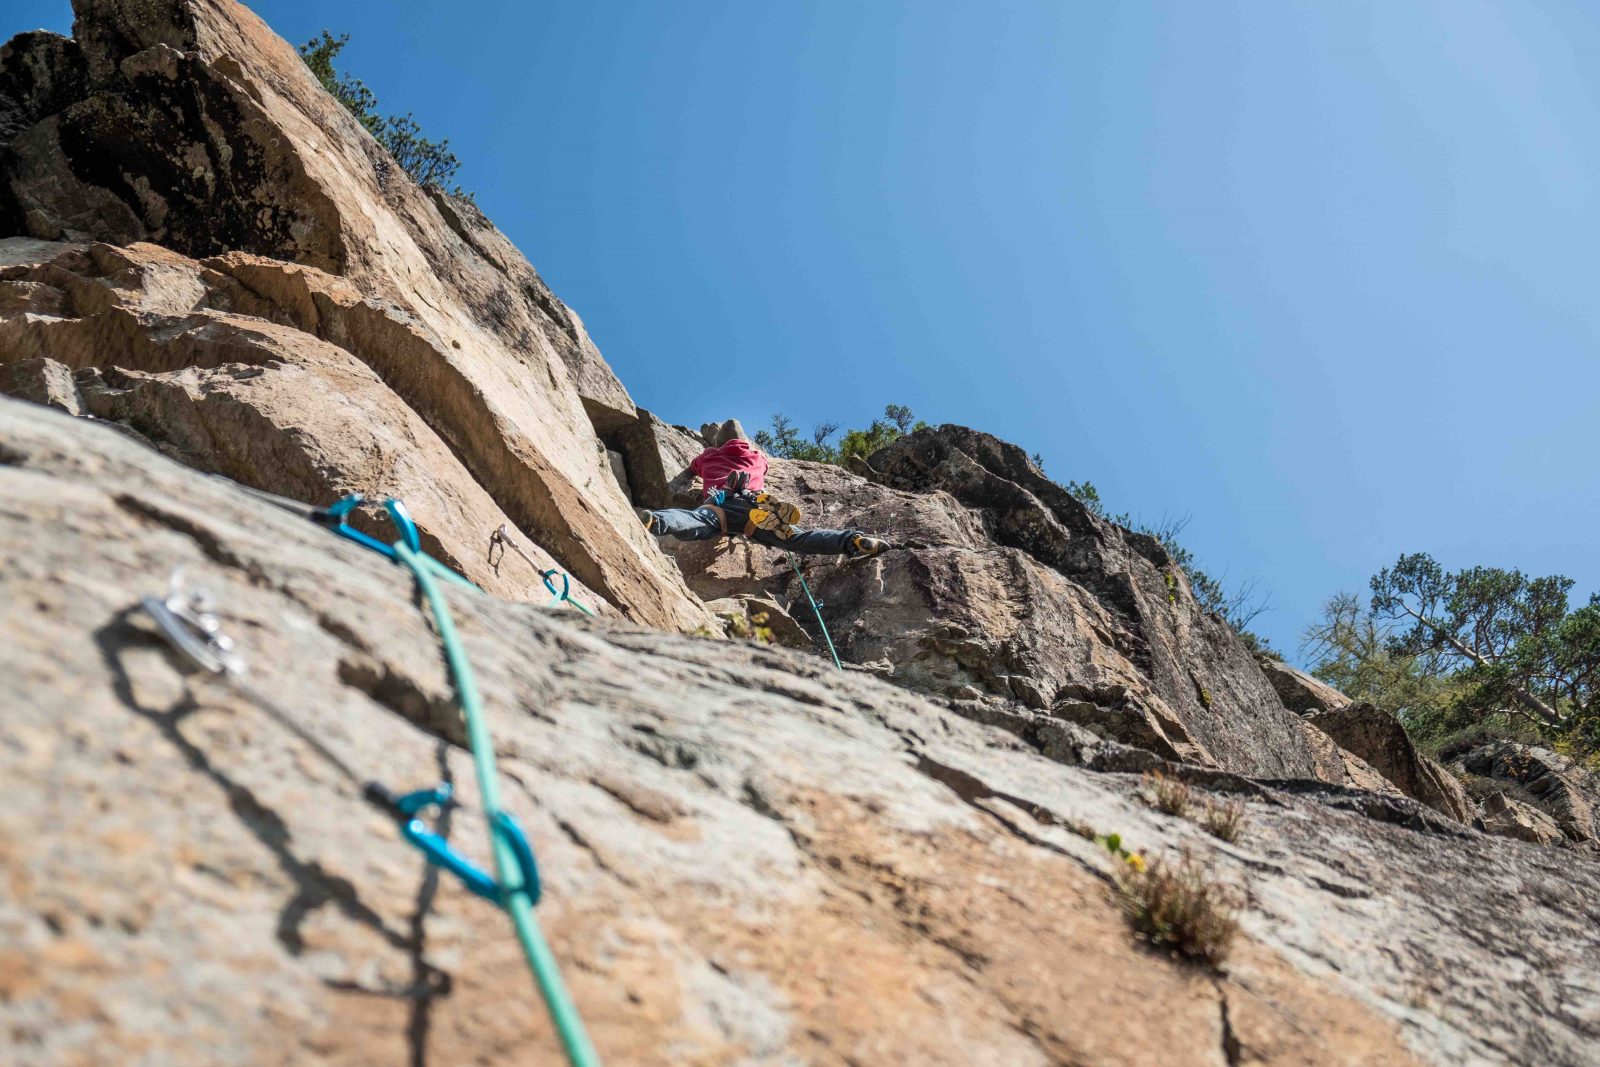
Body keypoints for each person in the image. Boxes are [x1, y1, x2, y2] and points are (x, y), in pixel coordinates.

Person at [637, 420, 889, 558]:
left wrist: (705, 460)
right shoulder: (757, 457)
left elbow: (693, 468)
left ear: (717, 443)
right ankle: (853, 540)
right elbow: (765, 466)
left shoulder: (708, 456)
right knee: (797, 538)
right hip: (754, 507)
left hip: (719, 505)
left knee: (693, 521)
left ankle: (656, 520)